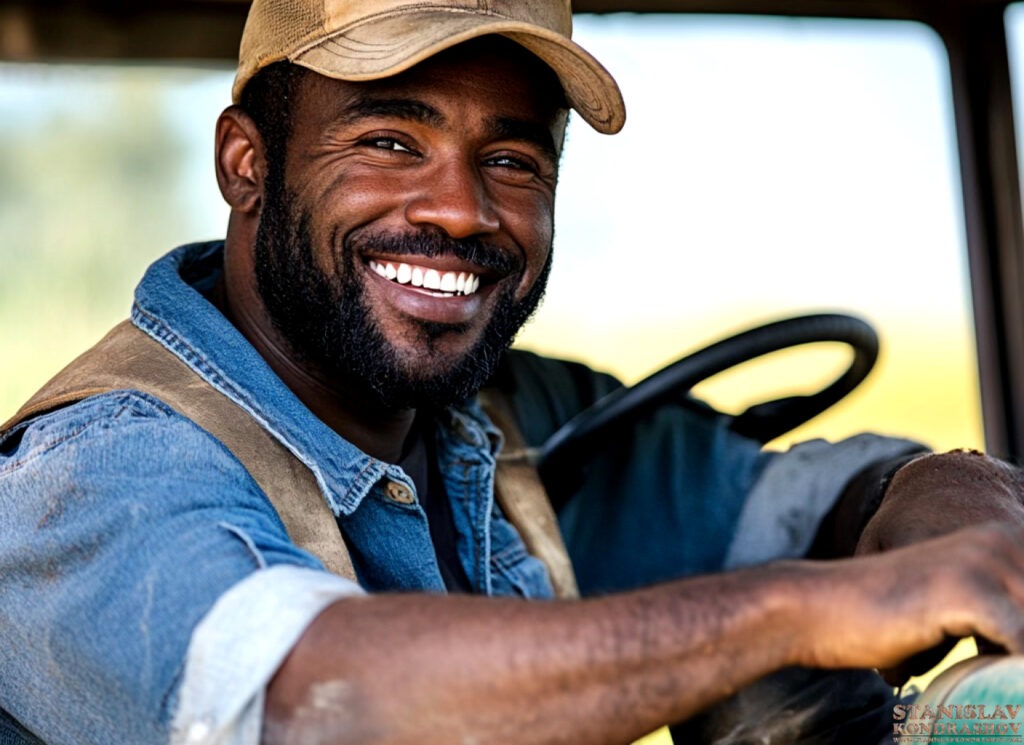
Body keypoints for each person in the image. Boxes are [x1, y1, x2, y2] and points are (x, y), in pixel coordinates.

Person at [1, 1, 1023, 744]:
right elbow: (322, 701)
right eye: (391, 139)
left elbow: (829, 499)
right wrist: (796, 612)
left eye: (513, 161)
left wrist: (966, 527)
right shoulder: (94, 475)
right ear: (246, 165)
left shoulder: (509, 418)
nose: (460, 210)